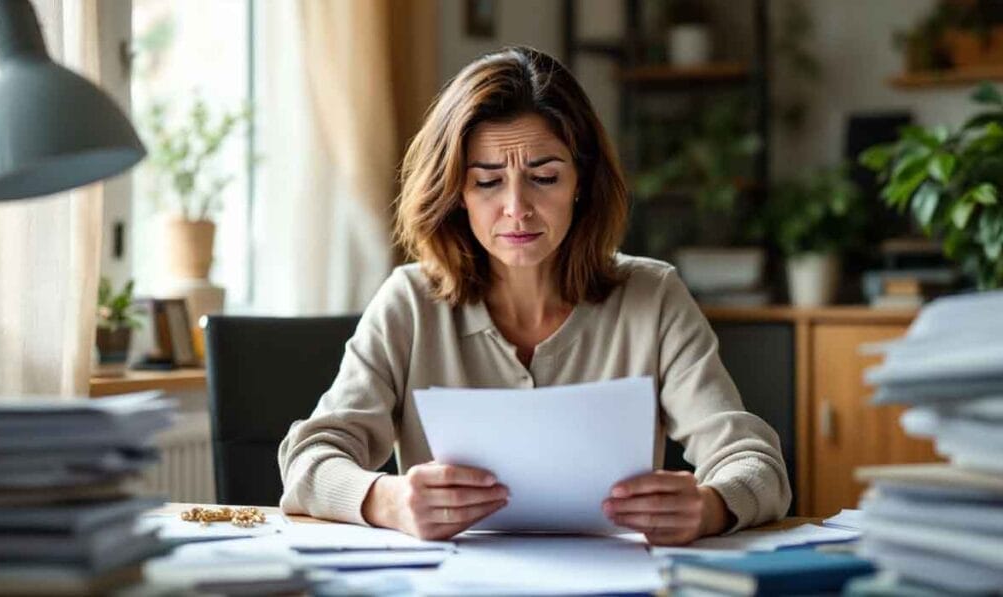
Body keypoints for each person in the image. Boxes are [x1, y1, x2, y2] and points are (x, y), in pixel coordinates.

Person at [279, 46, 790, 546]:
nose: (516, 209)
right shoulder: (409, 302)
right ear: (456, 191)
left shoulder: (652, 296)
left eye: (544, 177)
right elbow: (308, 461)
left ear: (581, 182)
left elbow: (756, 465)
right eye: (487, 182)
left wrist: (710, 507)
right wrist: (388, 500)